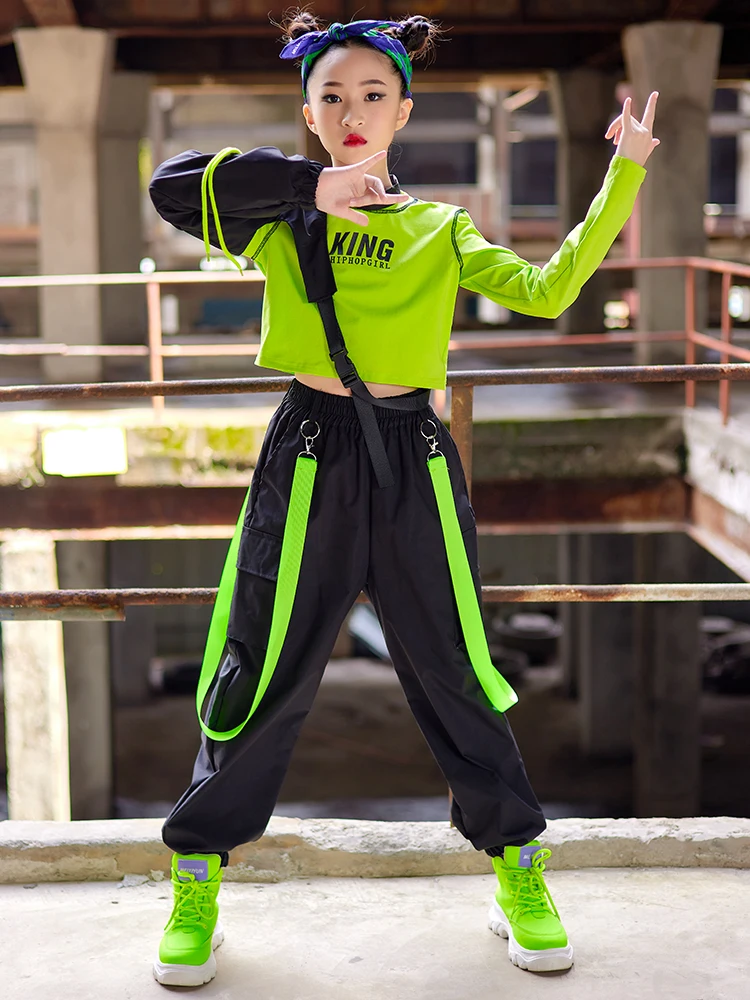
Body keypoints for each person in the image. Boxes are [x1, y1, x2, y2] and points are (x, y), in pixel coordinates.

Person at [147, 9, 659, 988]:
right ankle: (198, 872)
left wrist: (625, 170)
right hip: (306, 452)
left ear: (404, 110)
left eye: (371, 95)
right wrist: (308, 185)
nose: (350, 111)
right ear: (306, 109)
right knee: (259, 665)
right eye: (330, 95)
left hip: (414, 458)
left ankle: (518, 865)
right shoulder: (279, 216)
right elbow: (169, 189)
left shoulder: (438, 227)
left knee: (457, 664)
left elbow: (547, 292)